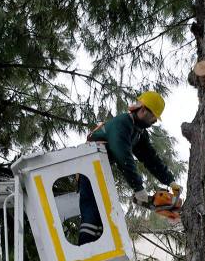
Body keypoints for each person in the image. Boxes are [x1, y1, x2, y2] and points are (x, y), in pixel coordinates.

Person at [78, 91, 182, 245]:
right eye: (153, 116)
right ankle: (85, 252)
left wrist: (170, 181)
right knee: (92, 213)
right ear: (143, 109)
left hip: (99, 171)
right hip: (87, 169)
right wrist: (138, 188)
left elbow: (151, 158)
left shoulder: (138, 131)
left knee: (102, 215)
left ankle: (96, 249)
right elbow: (122, 155)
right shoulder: (123, 123)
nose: (154, 121)